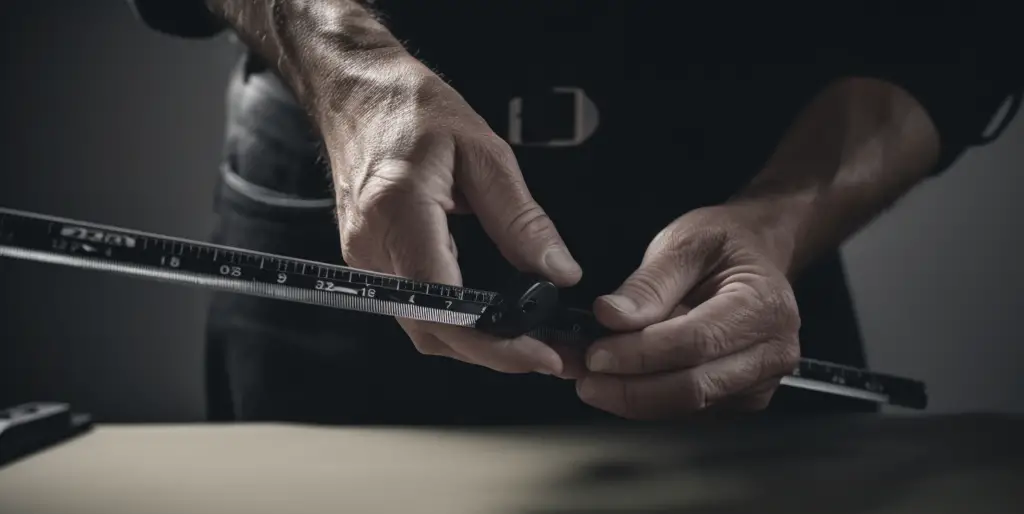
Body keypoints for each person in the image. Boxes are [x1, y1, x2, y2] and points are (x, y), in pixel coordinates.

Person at [128, 0, 1021, 424]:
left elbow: (957, 32)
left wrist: (780, 223)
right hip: (346, 210)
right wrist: (344, 60)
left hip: (740, 267)